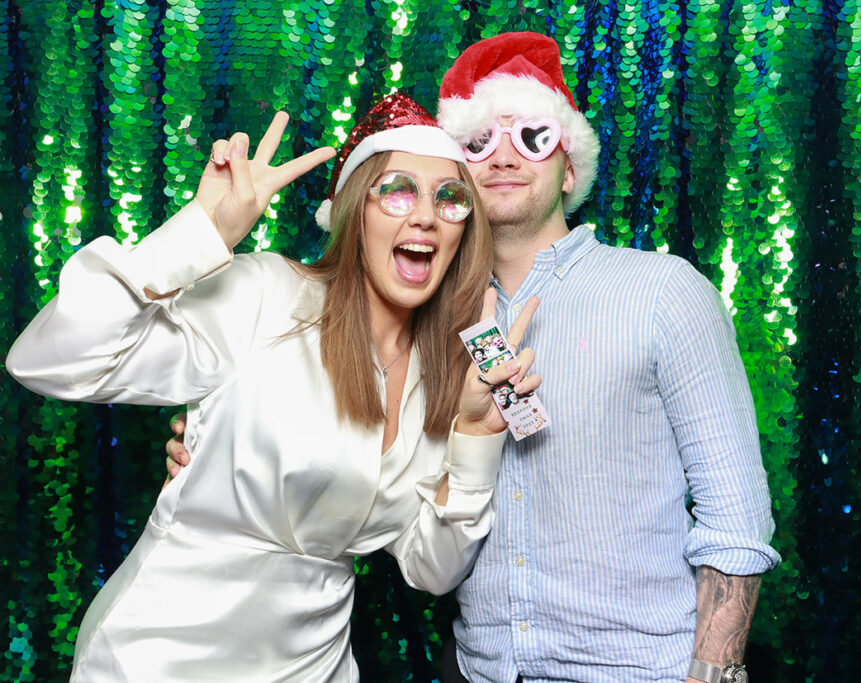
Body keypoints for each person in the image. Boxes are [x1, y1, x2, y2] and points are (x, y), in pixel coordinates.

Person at [169, 33, 781, 683]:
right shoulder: (422, 319)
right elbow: (378, 490)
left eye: (534, 136)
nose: (505, 156)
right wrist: (214, 440)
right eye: (478, 142)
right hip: (481, 668)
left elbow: (735, 518)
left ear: (570, 166)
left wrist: (713, 673)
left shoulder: (662, 292)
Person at [6, 93, 542, 681]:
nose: (425, 216)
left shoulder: (444, 373)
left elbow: (432, 569)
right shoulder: (267, 296)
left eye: (450, 199)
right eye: (397, 190)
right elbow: (46, 359)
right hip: (159, 658)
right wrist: (201, 234)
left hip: (315, 667)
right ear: (354, 212)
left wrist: (473, 435)